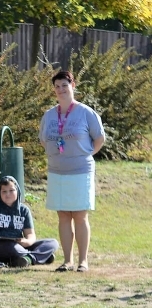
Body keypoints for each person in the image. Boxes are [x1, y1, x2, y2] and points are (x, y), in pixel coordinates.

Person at [40, 70, 105, 272]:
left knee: (79, 215)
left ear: (73, 86)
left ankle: (83, 261)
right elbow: (44, 140)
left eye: (64, 86)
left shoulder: (86, 112)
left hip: (80, 171)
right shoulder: (49, 115)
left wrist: (85, 154)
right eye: (57, 86)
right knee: (63, 216)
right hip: (57, 171)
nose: (61, 90)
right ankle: (67, 261)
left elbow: (99, 138)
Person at [0, 176, 59, 267]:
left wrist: (27, 242)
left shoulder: (24, 210)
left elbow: (30, 234)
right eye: (4, 191)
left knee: (52, 243)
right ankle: (40, 256)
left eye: (11, 190)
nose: (8, 194)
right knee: (13, 249)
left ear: (17, 191)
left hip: (19, 244)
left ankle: (28, 258)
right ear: (0, 193)